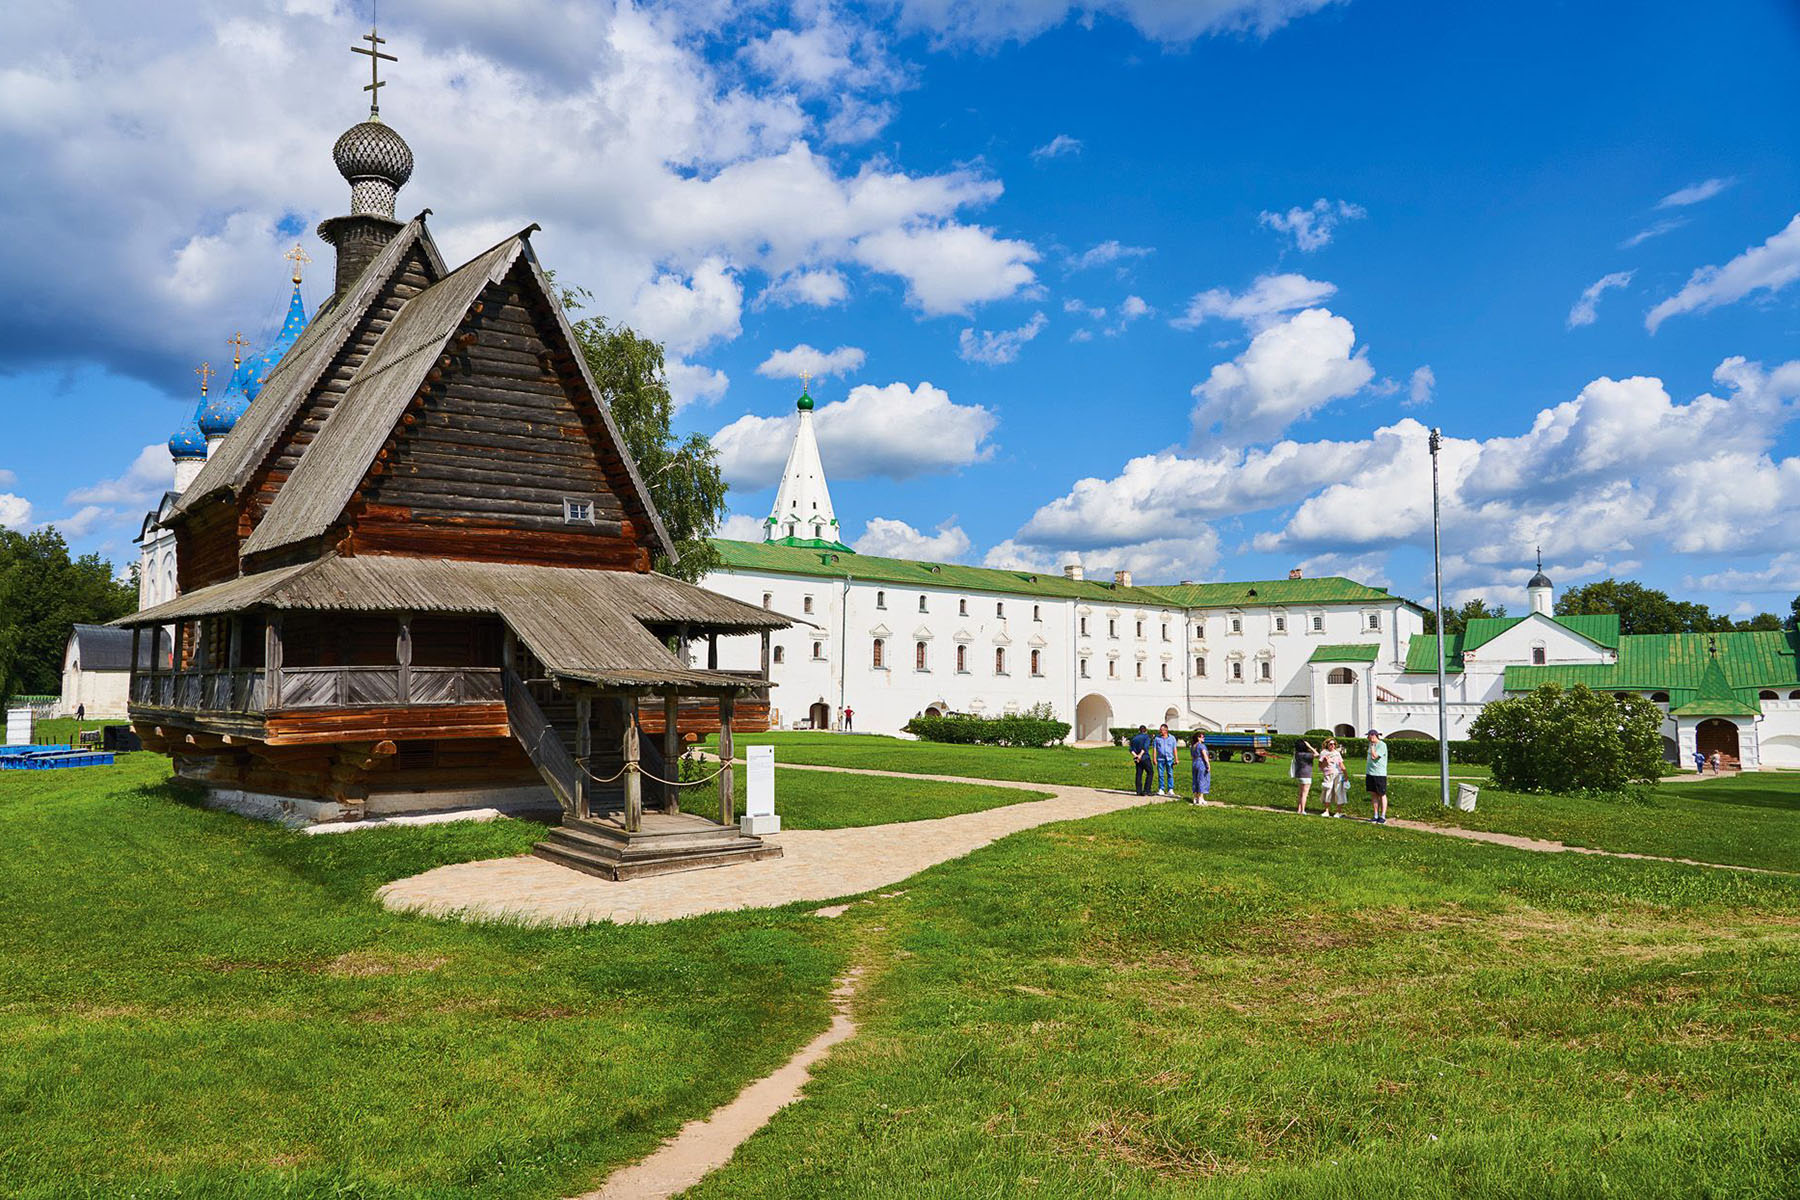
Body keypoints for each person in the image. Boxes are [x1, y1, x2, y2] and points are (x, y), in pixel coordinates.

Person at [1366, 730, 1390, 824]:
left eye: (1368, 736)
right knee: (1373, 794)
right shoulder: (1370, 745)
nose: (1367, 738)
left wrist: (1372, 747)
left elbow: (1374, 756)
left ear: (1373, 736)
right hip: (1370, 773)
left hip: (1379, 774)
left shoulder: (1382, 745)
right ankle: (1375, 815)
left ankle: (1382, 816)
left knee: (1382, 794)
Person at [1319, 738, 1347, 817]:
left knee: (1338, 791)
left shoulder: (1337, 753)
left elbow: (1341, 764)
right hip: (1328, 774)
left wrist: (1345, 774)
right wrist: (1325, 762)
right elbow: (1320, 766)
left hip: (1338, 774)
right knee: (1328, 791)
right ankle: (1327, 810)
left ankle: (1338, 812)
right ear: (1327, 744)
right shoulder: (1323, 753)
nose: (1333, 746)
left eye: (1334, 744)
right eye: (1331, 744)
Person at [1152, 723, 1179, 797]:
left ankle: (1170, 789)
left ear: (1166, 730)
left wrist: (1176, 758)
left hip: (1170, 758)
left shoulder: (1172, 738)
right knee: (1161, 774)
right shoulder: (1157, 739)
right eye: (1160, 729)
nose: (1160, 731)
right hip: (1160, 759)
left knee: (1170, 773)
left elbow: (1174, 749)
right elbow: (1154, 749)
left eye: (1161, 730)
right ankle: (1161, 789)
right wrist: (1154, 759)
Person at [1292, 739, 1316, 814]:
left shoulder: (1297, 754)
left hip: (1299, 774)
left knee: (1300, 793)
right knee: (1305, 794)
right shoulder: (1306, 755)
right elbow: (1317, 754)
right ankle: (1303, 810)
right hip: (1306, 775)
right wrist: (1310, 747)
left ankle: (1299, 809)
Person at [1129, 725, 1154, 795]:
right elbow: (1145, 747)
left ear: (1139, 731)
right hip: (1145, 757)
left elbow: (1131, 749)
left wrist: (1136, 756)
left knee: (1139, 774)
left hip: (1137, 759)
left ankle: (1139, 791)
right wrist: (1140, 755)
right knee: (1150, 772)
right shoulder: (1147, 737)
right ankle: (1147, 790)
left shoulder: (1134, 738)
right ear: (1146, 731)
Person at [1189, 732, 1212, 805]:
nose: (1203, 738)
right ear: (1198, 738)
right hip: (1201, 763)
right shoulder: (1201, 746)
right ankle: (1201, 798)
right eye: (1202, 737)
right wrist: (1208, 764)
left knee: (1195, 780)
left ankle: (1195, 797)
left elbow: (1192, 757)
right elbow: (1204, 755)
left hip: (1194, 763)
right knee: (1202, 779)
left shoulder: (1193, 746)